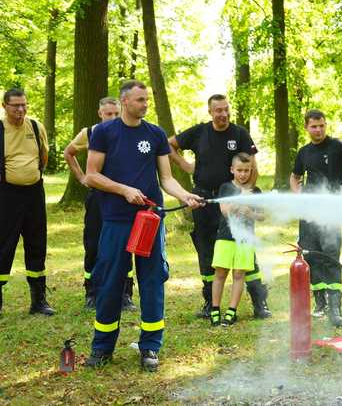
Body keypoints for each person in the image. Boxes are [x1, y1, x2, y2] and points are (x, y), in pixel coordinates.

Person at [84, 80, 203, 371]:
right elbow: (91, 175)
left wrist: (185, 196)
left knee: (152, 282)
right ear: (125, 101)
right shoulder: (103, 132)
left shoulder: (156, 134)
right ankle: (102, 347)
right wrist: (124, 190)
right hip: (115, 220)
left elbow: (167, 178)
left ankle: (150, 347)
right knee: (110, 282)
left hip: (149, 220)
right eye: (140, 100)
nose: (145, 104)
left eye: (146, 100)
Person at [168, 94, 271, 320]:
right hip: (204, 200)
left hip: (235, 201)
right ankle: (210, 303)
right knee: (206, 251)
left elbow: (252, 166)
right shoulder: (198, 132)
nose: (223, 114)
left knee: (245, 250)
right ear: (210, 112)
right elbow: (169, 144)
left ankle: (259, 302)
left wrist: (246, 195)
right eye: (218, 110)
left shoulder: (240, 134)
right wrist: (185, 164)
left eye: (226, 109)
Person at [289, 109, 342, 328]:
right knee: (310, 255)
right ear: (306, 127)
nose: (318, 130)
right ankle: (320, 303)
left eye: (321, 125)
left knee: (330, 256)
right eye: (313, 126)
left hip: (331, 211)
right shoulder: (303, 152)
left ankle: (335, 307)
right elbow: (294, 177)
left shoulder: (338, 147)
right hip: (309, 213)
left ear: (326, 125)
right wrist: (298, 197)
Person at [64, 97, 136, 311]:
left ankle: (125, 294)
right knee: (93, 244)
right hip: (98, 197)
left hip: (123, 196)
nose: (112, 117)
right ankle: (92, 292)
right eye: (108, 114)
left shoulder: (128, 131)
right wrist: (82, 177)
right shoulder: (90, 132)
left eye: (116, 113)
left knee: (125, 245)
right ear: (100, 113)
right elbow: (69, 152)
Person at [0, 88, 55, 316]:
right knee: (3, 245)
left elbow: (44, 155)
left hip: (34, 193)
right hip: (6, 195)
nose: (21, 110)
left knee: (37, 243)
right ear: (5, 106)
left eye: (24, 105)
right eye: (16, 106)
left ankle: (38, 301)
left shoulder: (35, 126)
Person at [211, 152, 264, 327]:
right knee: (220, 273)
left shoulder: (256, 192)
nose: (243, 174)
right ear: (232, 169)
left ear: (251, 171)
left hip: (245, 241)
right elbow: (225, 211)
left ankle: (231, 311)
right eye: (239, 170)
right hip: (225, 238)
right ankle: (215, 309)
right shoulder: (226, 188)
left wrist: (251, 213)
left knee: (239, 274)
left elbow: (262, 216)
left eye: (247, 171)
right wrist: (240, 200)